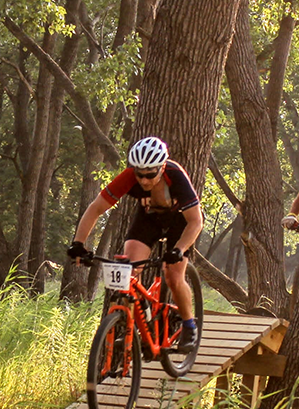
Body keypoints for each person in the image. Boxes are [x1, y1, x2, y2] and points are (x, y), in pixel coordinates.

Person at [67, 136, 202, 348]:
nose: (144, 181)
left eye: (150, 175)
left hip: (180, 223)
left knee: (174, 277)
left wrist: (179, 249)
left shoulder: (176, 176)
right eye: (140, 175)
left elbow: (195, 222)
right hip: (149, 219)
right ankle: (130, 326)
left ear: (161, 167)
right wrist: (78, 243)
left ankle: (189, 325)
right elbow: (96, 208)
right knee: (128, 271)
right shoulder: (129, 177)